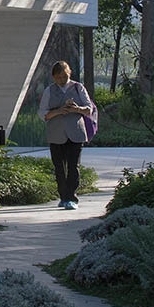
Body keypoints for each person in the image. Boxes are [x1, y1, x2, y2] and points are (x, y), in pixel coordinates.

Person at [38, 60, 96, 210]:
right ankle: (63, 196)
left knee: (73, 166)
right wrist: (58, 111)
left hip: (75, 133)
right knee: (59, 167)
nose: (62, 80)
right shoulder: (49, 91)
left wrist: (77, 109)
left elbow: (89, 109)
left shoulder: (78, 88)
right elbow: (42, 113)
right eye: (58, 77)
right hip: (56, 134)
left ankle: (72, 197)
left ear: (69, 73)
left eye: (64, 76)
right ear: (53, 77)